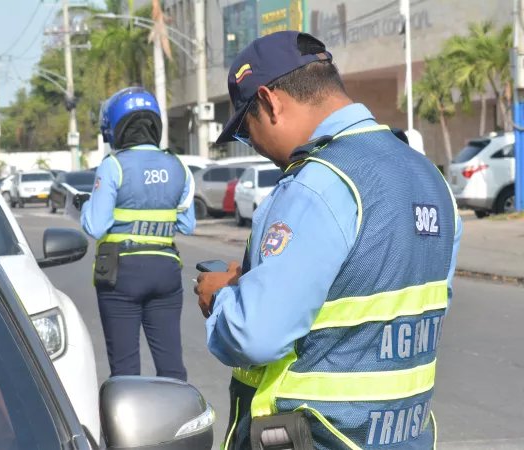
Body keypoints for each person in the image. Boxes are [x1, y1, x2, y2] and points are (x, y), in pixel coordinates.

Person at [195, 31, 463, 450]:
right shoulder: (429, 177)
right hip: (403, 437)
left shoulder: (317, 182)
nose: (257, 146)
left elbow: (255, 335)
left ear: (269, 101)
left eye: (246, 130)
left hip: (319, 438)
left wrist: (221, 299)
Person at [80, 87, 196, 381]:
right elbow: (187, 225)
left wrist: (84, 208)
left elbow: (96, 226)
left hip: (121, 272)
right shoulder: (179, 166)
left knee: (125, 370)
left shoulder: (113, 166)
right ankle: (178, 410)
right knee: (172, 366)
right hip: (166, 270)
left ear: (115, 128)